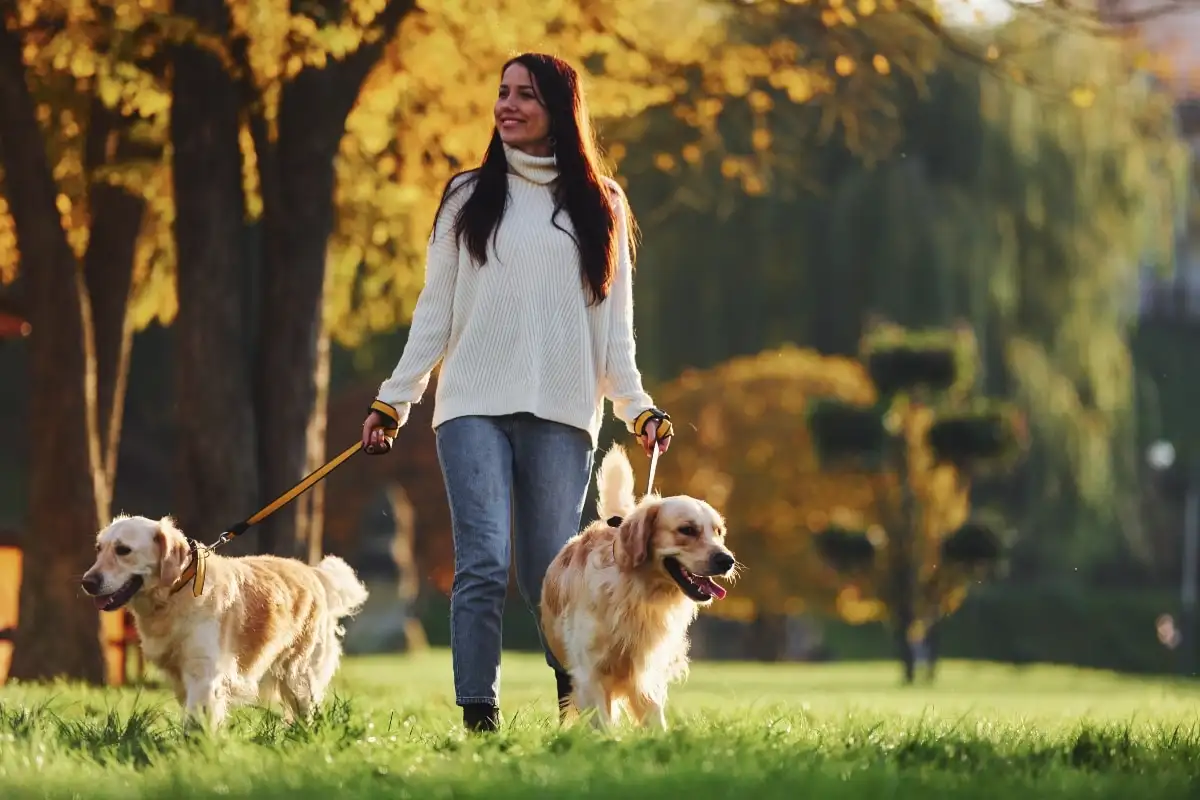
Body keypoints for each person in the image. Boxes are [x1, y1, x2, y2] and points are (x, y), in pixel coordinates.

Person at [360, 52, 673, 733]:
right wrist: (396, 398)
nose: (507, 105)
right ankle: (480, 715)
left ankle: (577, 701)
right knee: (482, 561)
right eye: (502, 93)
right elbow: (434, 312)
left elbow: (614, 333)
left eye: (525, 95)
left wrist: (637, 406)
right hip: (471, 403)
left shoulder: (603, 204)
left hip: (563, 411)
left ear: (559, 109)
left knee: (548, 571)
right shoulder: (467, 196)